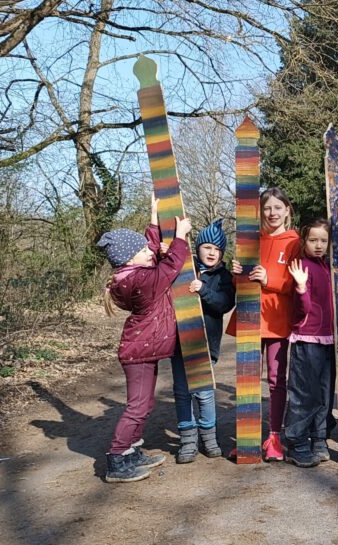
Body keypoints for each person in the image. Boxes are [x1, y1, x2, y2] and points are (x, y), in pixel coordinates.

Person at [97, 197, 189, 482]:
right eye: (142, 250)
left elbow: (149, 249)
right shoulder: (142, 282)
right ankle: (117, 457)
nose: (149, 251)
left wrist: (153, 217)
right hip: (138, 352)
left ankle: (133, 452)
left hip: (142, 350)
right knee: (137, 407)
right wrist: (180, 238)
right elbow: (170, 266)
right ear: (128, 259)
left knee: (145, 405)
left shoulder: (130, 274)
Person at [282, 219, 338, 467]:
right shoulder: (301, 267)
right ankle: (297, 443)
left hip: (329, 340)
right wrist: (301, 287)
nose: (318, 245)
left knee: (324, 395)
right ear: (304, 241)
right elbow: (300, 310)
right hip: (307, 340)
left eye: (323, 241)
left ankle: (319, 439)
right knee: (303, 395)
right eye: (313, 240)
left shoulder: (330, 268)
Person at [229, 187, 299, 461]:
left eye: (277, 208)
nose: (272, 213)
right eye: (267, 208)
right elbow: (240, 285)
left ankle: (274, 438)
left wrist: (269, 279)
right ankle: (246, 437)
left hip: (277, 318)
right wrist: (238, 274)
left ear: (287, 211)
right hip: (249, 317)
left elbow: (295, 284)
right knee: (246, 377)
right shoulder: (250, 240)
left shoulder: (294, 242)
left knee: (275, 380)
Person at [171, 219, 235, 463]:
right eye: (207, 247)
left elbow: (224, 303)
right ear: (197, 248)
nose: (212, 252)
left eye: (217, 249)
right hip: (179, 343)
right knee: (182, 392)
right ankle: (188, 440)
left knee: (204, 393)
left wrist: (203, 290)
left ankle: (209, 438)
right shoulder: (185, 269)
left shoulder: (223, 277)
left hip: (206, 344)